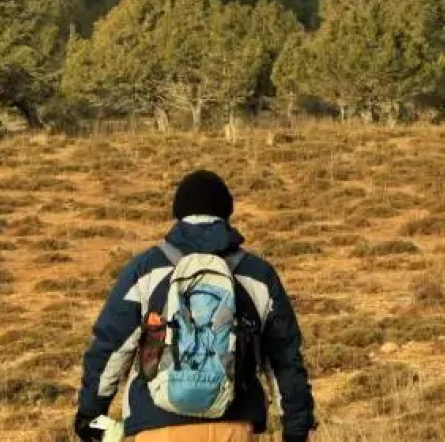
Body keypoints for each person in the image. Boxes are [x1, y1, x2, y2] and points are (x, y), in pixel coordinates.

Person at [74, 169, 316, 442]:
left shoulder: (144, 269)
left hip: (156, 425)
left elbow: (112, 346)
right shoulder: (258, 274)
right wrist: (296, 426)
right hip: (233, 426)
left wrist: (91, 414)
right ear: (227, 212)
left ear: (178, 213)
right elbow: (284, 358)